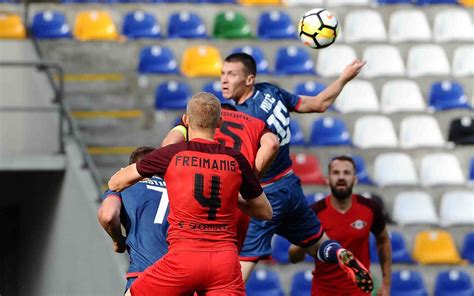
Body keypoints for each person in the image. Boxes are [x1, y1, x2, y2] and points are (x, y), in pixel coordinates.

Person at [220, 52, 373, 293]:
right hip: (291, 186)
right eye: (222, 74)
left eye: (232, 74)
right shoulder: (271, 91)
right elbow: (319, 103)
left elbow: (259, 154)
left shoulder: (245, 116)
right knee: (317, 245)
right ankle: (340, 252)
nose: (224, 80)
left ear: (249, 79)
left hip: (266, 193)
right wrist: (343, 78)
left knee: (240, 268)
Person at [108, 92, 273, 295]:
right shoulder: (236, 160)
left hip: (184, 259)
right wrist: (231, 197)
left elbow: (116, 183)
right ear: (220, 122)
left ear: (186, 120)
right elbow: (265, 212)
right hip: (224, 263)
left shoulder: (171, 154)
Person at [162, 103, 280, 251]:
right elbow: (272, 144)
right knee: (227, 258)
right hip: (237, 199)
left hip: (196, 194)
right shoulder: (254, 123)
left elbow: (168, 145)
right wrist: (251, 180)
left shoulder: (197, 120)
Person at [289, 155, 392, 296]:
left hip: (359, 293)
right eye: (336, 173)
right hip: (323, 292)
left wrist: (386, 285)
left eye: (347, 173)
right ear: (327, 179)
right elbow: (293, 257)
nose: (341, 177)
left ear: (355, 179)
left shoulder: (370, 208)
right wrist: (305, 242)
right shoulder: (314, 212)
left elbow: (383, 241)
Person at [98, 147, 170, 293]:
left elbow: (108, 215)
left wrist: (118, 241)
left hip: (144, 275)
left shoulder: (122, 187)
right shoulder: (180, 189)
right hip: (179, 276)